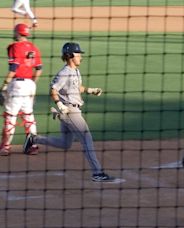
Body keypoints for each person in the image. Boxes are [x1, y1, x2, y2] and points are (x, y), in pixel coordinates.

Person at [23, 42, 116, 182]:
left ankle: (34, 139)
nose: (80, 57)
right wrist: (60, 105)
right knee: (86, 138)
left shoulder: (75, 71)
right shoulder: (64, 73)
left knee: (65, 143)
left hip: (70, 109)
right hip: (69, 111)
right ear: (70, 56)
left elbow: (76, 87)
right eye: (78, 54)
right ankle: (97, 173)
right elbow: (53, 90)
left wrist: (90, 90)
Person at [0, 23, 43, 156]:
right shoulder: (34, 48)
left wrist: (4, 86)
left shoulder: (14, 47)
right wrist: (32, 84)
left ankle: (5, 148)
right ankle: (32, 147)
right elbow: (39, 69)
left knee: (10, 116)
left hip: (17, 85)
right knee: (28, 116)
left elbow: (13, 69)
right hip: (30, 85)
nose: (13, 33)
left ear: (19, 33)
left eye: (15, 31)